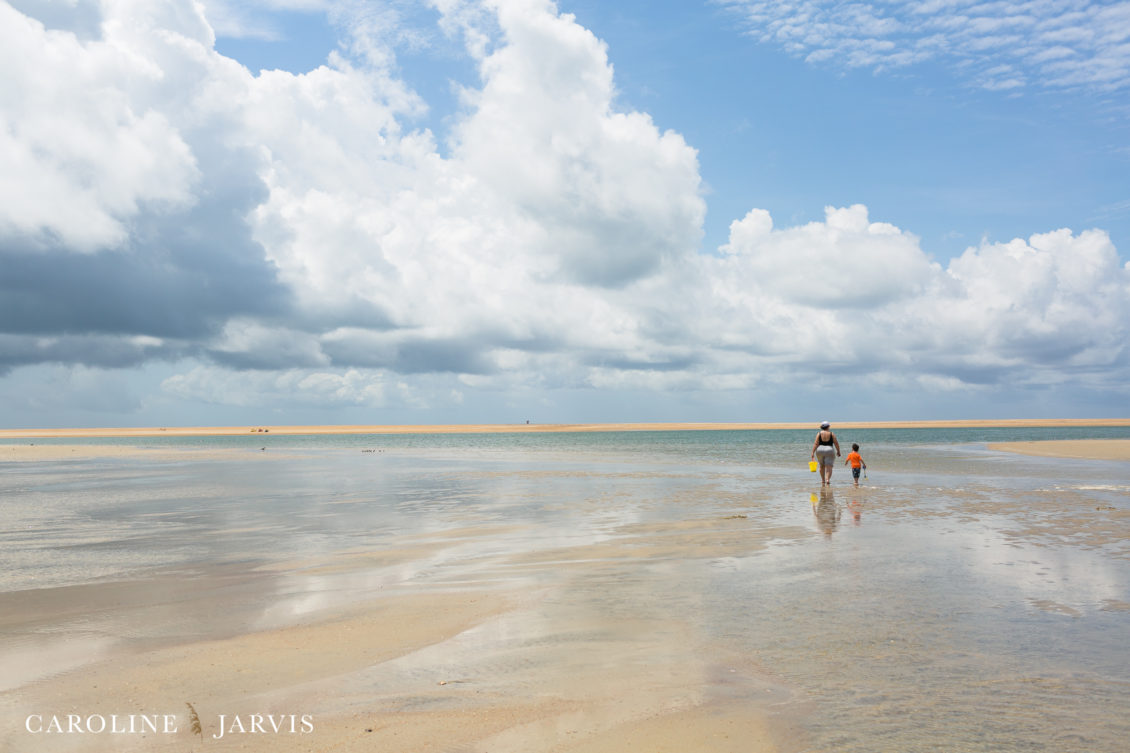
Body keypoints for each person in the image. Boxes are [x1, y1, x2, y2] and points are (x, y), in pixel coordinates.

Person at [810, 421, 840, 486]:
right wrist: (838, 451)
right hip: (829, 449)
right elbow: (836, 443)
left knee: (821, 466)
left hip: (819, 450)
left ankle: (823, 480)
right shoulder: (831, 434)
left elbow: (816, 443)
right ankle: (828, 479)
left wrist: (812, 452)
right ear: (828, 426)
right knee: (829, 466)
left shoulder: (819, 434)